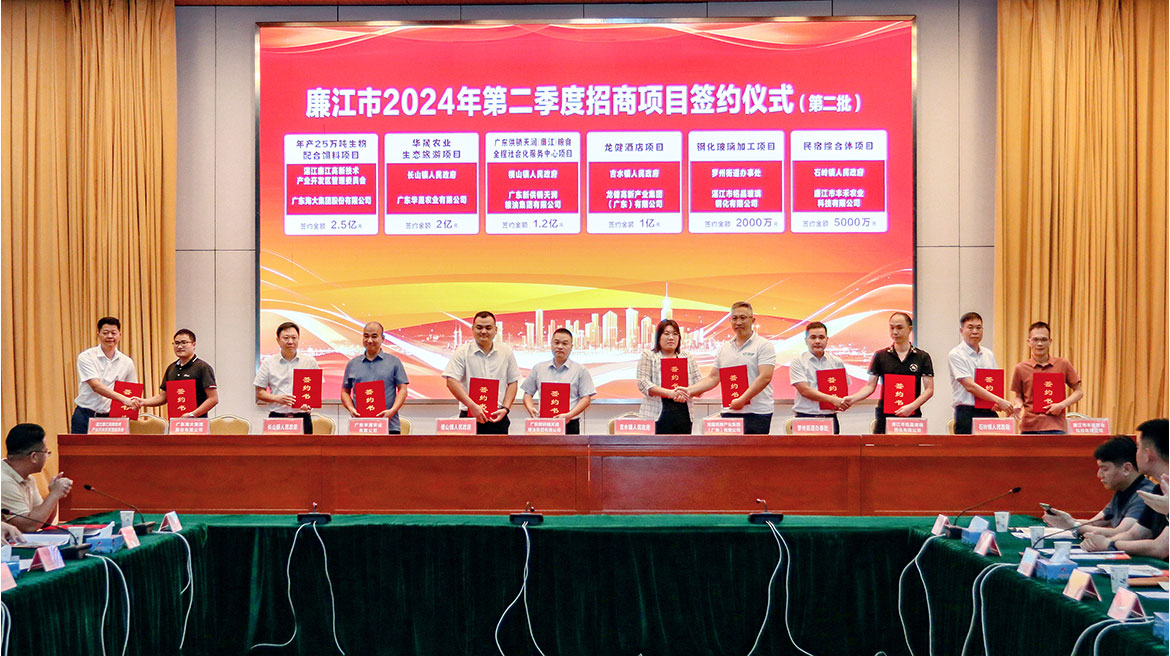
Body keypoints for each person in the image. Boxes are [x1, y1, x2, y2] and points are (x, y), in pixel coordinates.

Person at [1081, 419, 1169, 559]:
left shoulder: (1146, 490)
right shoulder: (1158, 490)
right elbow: (1135, 534)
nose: (1135, 454)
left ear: (1148, 454)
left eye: (1138, 448)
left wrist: (1109, 544)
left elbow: (1160, 548)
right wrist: (1105, 543)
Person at [687, 302, 776, 434]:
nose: (738, 322)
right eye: (734, 318)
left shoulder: (763, 345)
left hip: (757, 413)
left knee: (753, 448)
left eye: (743, 318)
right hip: (730, 411)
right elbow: (713, 378)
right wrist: (688, 390)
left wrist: (742, 400)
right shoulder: (724, 348)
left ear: (752, 320)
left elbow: (765, 377)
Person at [1042, 436, 1157, 539]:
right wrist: (1065, 520)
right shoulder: (1123, 489)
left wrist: (1073, 525)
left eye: (1104, 469)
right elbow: (1093, 523)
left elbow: (1122, 533)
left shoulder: (1144, 494)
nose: (1099, 475)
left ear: (1126, 469)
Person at [844, 312, 934, 434]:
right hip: (884, 415)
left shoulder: (922, 357)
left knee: (910, 446)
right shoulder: (880, 356)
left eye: (899, 328)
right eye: (892, 328)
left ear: (909, 329)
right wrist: (853, 398)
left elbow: (929, 390)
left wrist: (912, 406)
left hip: (911, 415)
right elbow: (870, 386)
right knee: (881, 445)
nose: (895, 332)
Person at [443, 311, 520, 435]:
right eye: (479, 328)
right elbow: (451, 381)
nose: (483, 331)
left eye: (488, 328)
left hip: (497, 417)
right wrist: (471, 406)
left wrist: (506, 408)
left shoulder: (506, 352)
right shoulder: (462, 352)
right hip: (469, 416)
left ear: (496, 330)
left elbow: (513, 382)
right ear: (472, 329)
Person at [1009, 321, 1083, 434]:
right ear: (1028, 342)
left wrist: (1061, 405)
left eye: (1044, 340)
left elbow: (1079, 392)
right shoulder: (1021, 368)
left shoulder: (1063, 364)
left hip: (1055, 427)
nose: (1039, 344)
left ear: (1050, 341)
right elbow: (1018, 396)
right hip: (1029, 427)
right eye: (1035, 340)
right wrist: (1018, 405)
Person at [71, 316, 141, 434]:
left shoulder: (127, 362)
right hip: (85, 416)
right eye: (105, 333)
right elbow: (96, 386)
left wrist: (132, 405)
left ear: (120, 335)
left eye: (113, 333)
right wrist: (124, 400)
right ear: (98, 334)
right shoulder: (86, 357)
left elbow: (131, 390)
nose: (110, 336)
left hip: (112, 419)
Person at [947, 312, 1014, 434]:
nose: (975, 332)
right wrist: (999, 401)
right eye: (970, 327)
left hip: (988, 410)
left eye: (978, 328)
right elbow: (969, 386)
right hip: (967, 411)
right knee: (967, 446)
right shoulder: (956, 354)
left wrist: (996, 403)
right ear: (961, 331)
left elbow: (993, 383)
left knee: (997, 444)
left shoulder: (988, 354)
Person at [521, 328, 596, 434]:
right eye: (556, 343)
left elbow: (586, 399)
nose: (560, 347)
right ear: (551, 344)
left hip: (570, 424)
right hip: (545, 424)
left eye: (565, 343)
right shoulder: (539, 368)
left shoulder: (580, 370)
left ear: (571, 347)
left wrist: (569, 415)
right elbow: (527, 393)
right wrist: (530, 407)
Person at [340, 321, 409, 434]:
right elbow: (345, 392)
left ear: (383, 338)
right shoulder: (352, 364)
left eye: (374, 336)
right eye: (366, 336)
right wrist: (351, 409)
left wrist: (392, 411)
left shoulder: (394, 362)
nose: (369, 340)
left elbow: (403, 389)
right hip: (361, 426)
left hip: (389, 426)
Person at [1, 424, 72, 532]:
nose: (47, 456)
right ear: (34, 456)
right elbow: (28, 526)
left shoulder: (27, 477)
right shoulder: (4, 482)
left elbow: (43, 522)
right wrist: (54, 494)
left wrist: (54, 494)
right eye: (46, 452)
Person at [636, 319, 702, 434]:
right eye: (666, 334)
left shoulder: (687, 357)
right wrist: (670, 393)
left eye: (675, 334)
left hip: (683, 416)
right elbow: (643, 383)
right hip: (655, 415)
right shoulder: (649, 356)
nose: (671, 338)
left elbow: (700, 385)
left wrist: (687, 393)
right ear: (658, 337)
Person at [253, 321, 319, 434]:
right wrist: (276, 398)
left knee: (305, 446)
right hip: (277, 418)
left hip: (302, 418)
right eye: (286, 338)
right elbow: (259, 393)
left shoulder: (309, 362)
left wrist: (309, 403)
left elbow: (315, 391)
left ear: (298, 339)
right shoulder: (268, 363)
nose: (290, 342)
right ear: (278, 340)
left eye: (294, 338)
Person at [789, 321, 851, 434]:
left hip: (830, 417)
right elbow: (804, 391)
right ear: (806, 340)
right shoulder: (798, 362)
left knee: (832, 446)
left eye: (821, 337)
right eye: (813, 337)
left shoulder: (836, 362)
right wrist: (833, 400)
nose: (817, 341)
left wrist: (842, 402)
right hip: (805, 417)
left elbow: (841, 390)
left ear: (827, 340)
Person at [140, 329, 219, 418]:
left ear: (193, 345)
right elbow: (163, 397)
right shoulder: (171, 368)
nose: (180, 346)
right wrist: (143, 402)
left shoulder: (203, 367)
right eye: (176, 343)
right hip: (175, 422)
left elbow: (213, 399)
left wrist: (192, 414)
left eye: (184, 342)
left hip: (196, 422)